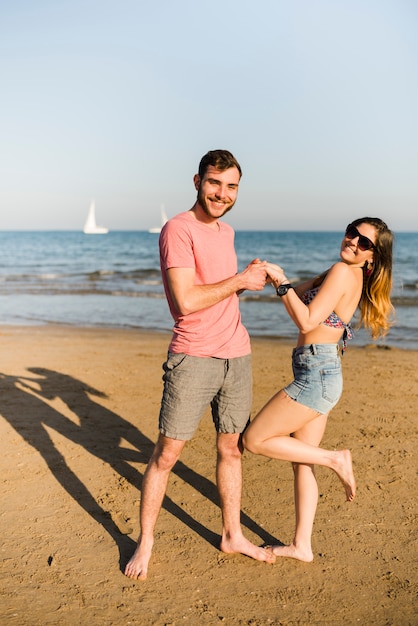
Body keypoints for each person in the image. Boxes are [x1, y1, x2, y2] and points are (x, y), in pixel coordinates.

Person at [124, 149, 275, 580]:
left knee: (232, 448)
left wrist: (245, 279)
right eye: (214, 183)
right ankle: (145, 541)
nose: (222, 194)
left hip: (237, 353)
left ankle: (232, 534)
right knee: (167, 454)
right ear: (197, 181)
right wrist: (239, 281)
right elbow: (187, 302)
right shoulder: (177, 228)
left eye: (231, 187)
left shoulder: (226, 231)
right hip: (193, 356)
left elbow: (217, 290)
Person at [242, 217, 394, 562]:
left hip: (316, 375)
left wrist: (281, 284)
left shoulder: (344, 271)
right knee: (300, 461)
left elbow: (307, 320)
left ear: (373, 256)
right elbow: (296, 293)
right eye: (352, 232)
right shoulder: (340, 272)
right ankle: (301, 546)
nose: (353, 241)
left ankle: (335, 459)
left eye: (365, 243)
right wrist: (270, 274)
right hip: (321, 370)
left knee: (254, 440)